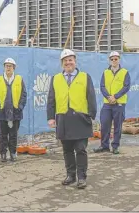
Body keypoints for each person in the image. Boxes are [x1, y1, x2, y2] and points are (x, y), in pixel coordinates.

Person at [46, 49, 97, 189]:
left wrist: (92, 115)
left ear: (75, 61)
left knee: (80, 149)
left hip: (81, 119)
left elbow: (91, 97)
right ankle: (70, 175)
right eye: (65, 60)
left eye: (70, 60)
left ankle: (81, 177)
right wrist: (50, 117)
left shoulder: (85, 77)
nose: (68, 62)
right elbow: (51, 100)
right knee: (67, 150)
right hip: (63, 119)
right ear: (62, 63)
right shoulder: (55, 78)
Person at [93, 51, 131, 154]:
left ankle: (115, 146)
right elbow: (102, 86)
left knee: (117, 125)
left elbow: (126, 87)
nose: (114, 61)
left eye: (116, 59)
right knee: (105, 124)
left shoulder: (124, 72)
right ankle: (104, 146)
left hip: (119, 103)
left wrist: (116, 97)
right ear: (109, 61)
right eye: (112, 59)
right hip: (107, 103)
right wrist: (109, 97)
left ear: (119, 60)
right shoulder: (105, 72)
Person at [0, 58, 27, 162]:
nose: (8, 68)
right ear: (4, 67)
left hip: (15, 113)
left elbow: (24, 95)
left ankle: (12, 153)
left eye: (10, 66)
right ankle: (3, 154)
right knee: (2, 135)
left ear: (14, 68)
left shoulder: (19, 79)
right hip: (1, 113)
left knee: (13, 135)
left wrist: (20, 107)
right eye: (6, 66)